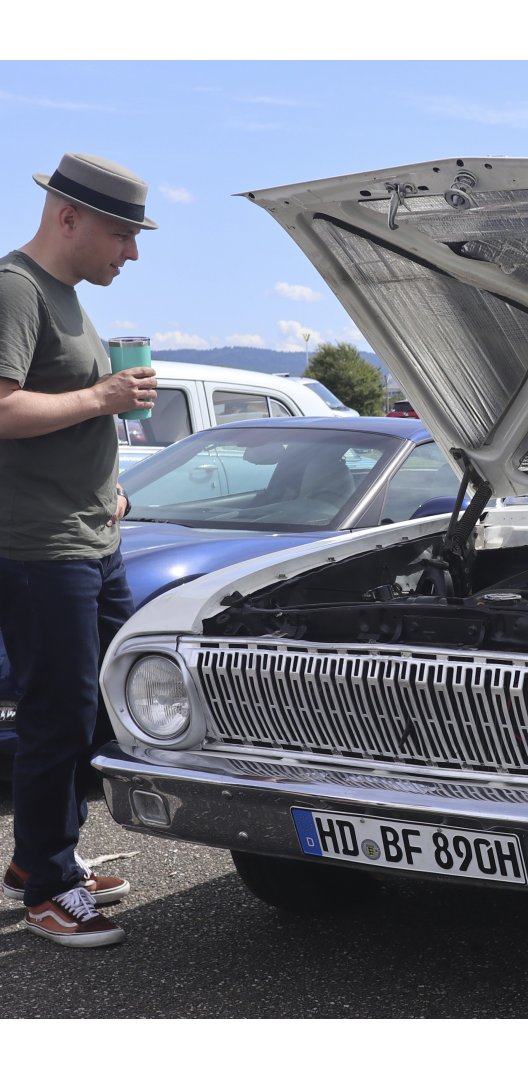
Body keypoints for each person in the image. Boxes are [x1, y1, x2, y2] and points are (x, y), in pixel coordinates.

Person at [0, 152, 159, 947]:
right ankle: (48, 892)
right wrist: (103, 396)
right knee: (56, 713)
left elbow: (63, 421)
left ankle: (39, 859)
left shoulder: (66, 296)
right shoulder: (15, 287)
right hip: (39, 546)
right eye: (122, 235)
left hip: (92, 534)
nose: (129, 253)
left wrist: (110, 491)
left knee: (99, 703)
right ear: (68, 217)